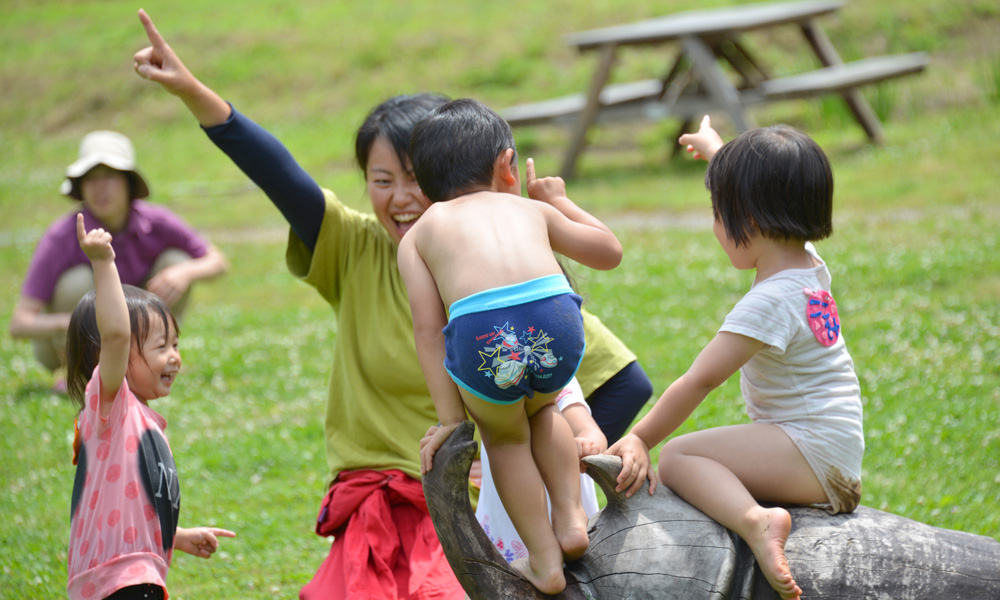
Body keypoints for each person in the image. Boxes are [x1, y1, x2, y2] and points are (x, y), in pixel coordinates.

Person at [131, 9, 648, 598]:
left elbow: (622, 381)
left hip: (475, 503)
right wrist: (192, 92)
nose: (401, 199)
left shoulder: (446, 250)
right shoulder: (356, 246)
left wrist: (499, 444)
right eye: (381, 181)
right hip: (383, 506)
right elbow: (278, 174)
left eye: (412, 179)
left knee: (505, 461)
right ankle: (563, 528)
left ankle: (548, 545)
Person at [606, 116, 864, 600]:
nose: (715, 226)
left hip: (809, 451)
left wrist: (640, 437)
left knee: (679, 456)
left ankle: (756, 522)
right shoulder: (807, 262)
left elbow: (699, 381)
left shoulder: (769, 303)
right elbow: (771, 188)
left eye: (718, 212)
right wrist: (717, 153)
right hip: (834, 444)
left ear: (748, 218)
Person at [402, 98, 622, 594]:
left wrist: (451, 419)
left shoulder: (421, 232)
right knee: (545, 411)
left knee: (505, 439)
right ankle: (571, 519)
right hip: (555, 324)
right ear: (507, 165)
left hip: (486, 338)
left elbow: (428, 329)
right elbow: (609, 252)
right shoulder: (530, 209)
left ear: (423, 186)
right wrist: (558, 201)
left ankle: (544, 560)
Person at [67, 213, 235, 600]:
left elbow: (130, 505)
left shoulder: (140, 420)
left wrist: (176, 537)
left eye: (175, 344)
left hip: (132, 572)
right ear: (115, 355)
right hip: (119, 577)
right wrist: (103, 262)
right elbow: (115, 335)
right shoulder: (111, 407)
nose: (174, 356)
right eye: (161, 346)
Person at [9, 130, 228, 390]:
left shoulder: (156, 222)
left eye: (110, 176)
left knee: (177, 260)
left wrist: (184, 272)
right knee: (76, 281)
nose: (100, 187)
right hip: (66, 340)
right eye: (91, 178)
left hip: (130, 331)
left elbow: (217, 260)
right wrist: (67, 321)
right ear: (81, 187)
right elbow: (19, 323)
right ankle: (79, 374)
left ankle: (150, 361)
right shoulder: (62, 236)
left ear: (128, 183)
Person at [423, 378, 605, 565]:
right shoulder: (485, 381)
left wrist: (588, 443)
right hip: (506, 513)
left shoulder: (554, 380)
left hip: (561, 511)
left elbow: (589, 429)